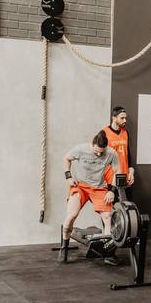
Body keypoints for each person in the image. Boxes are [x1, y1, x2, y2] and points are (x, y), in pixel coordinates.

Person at [57, 130, 121, 262]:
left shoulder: (111, 153)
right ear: (92, 144)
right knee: (71, 215)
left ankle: (107, 253)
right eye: (96, 151)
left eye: (102, 152)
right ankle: (64, 248)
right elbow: (66, 158)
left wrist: (112, 191)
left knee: (108, 217)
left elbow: (117, 172)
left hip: (98, 188)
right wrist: (68, 177)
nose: (99, 154)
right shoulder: (81, 149)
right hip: (80, 186)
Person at [103, 106, 135, 198]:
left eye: (125, 118)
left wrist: (131, 172)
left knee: (126, 205)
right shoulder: (104, 133)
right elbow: (100, 158)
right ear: (114, 118)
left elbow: (127, 154)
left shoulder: (125, 132)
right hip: (110, 179)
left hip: (124, 178)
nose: (125, 120)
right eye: (122, 118)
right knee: (113, 206)